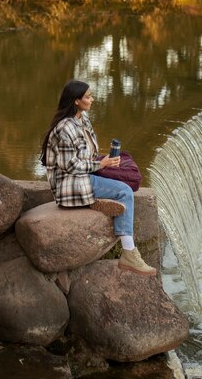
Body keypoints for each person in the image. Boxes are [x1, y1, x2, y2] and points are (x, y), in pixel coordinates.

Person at [41, 80, 156, 275]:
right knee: (124, 191)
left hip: (85, 174)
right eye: (88, 96)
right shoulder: (64, 129)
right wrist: (100, 165)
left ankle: (92, 201)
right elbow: (70, 165)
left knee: (126, 173)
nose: (92, 99)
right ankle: (129, 253)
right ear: (76, 101)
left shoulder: (82, 119)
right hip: (69, 183)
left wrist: (106, 161)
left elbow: (88, 154)